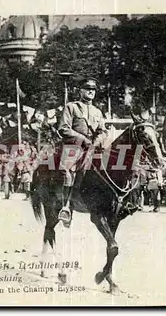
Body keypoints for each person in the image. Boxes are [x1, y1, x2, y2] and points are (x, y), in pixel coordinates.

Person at [56, 77, 108, 227]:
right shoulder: (71, 107)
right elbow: (63, 128)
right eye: (87, 89)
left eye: (93, 90)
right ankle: (66, 207)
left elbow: (103, 131)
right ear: (81, 91)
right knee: (68, 172)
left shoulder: (97, 112)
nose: (91, 92)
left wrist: (96, 141)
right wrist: (83, 139)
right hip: (74, 147)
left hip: (93, 147)